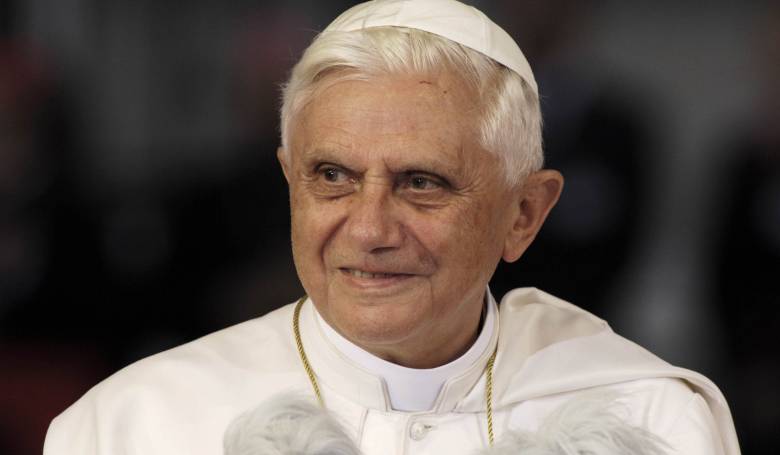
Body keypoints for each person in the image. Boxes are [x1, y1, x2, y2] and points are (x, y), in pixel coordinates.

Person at [43, 0, 740, 454]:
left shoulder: (648, 420)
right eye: (332, 176)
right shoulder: (132, 425)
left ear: (523, 214)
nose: (369, 229)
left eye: (422, 183)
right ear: (290, 184)